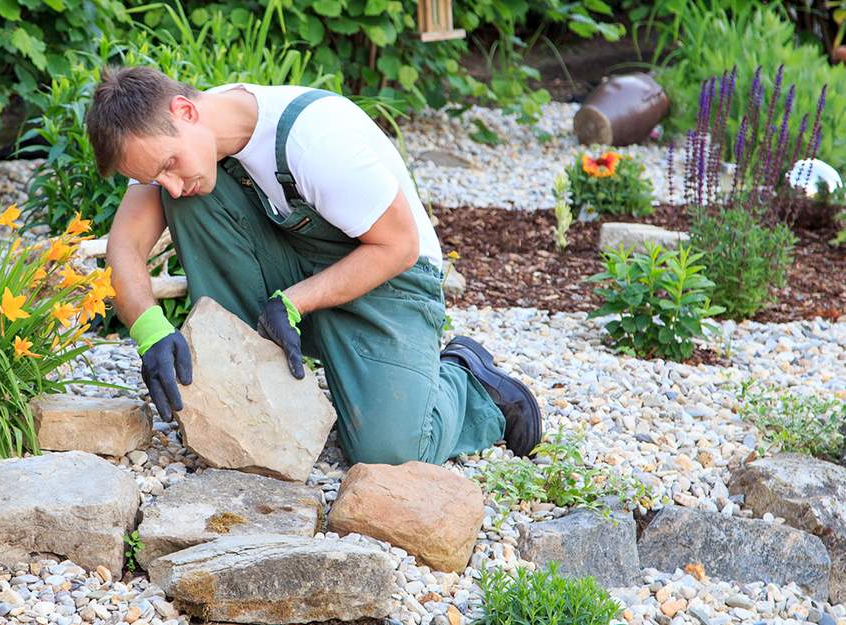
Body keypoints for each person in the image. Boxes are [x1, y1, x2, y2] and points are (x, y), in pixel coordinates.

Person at [84, 66, 542, 465]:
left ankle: (468, 383)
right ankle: (251, 379)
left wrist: (295, 302)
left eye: (168, 164)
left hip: (389, 280)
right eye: (153, 177)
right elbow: (125, 245)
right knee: (190, 198)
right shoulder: (176, 142)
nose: (169, 184)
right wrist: (149, 331)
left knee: (389, 452)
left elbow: (399, 246)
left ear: (185, 111)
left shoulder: (315, 139)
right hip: (296, 275)